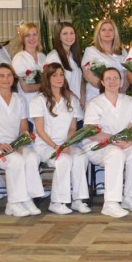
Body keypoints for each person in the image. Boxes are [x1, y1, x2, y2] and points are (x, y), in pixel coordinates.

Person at [0, 63, 44, 217]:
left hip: (14, 144)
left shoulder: (19, 100)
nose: (6, 79)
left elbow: (23, 128)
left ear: (14, 78)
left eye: (9, 75)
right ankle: (14, 203)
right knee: (15, 160)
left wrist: (19, 143)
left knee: (32, 157)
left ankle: (27, 198)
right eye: (1, 76)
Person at [83, 67, 132, 218]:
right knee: (115, 154)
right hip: (98, 145)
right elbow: (91, 132)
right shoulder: (94, 103)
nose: (112, 81)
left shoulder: (129, 101)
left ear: (121, 81)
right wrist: (113, 139)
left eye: (116, 78)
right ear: (102, 82)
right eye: (108, 79)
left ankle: (129, 197)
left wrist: (129, 142)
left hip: (122, 143)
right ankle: (110, 203)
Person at [31, 62, 90, 215]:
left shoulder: (71, 99)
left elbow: (72, 128)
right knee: (64, 160)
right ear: (47, 78)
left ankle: (78, 199)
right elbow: (39, 129)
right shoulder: (39, 100)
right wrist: (56, 146)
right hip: (45, 144)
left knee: (81, 157)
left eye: (61, 74)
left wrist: (66, 143)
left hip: (66, 143)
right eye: (54, 75)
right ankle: (57, 201)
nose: (59, 78)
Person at [82, 18, 128, 102]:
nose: (107, 32)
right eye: (103, 30)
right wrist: (109, 90)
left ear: (115, 33)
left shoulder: (123, 52)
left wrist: (120, 91)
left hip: (119, 95)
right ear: (98, 33)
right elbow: (89, 76)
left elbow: (127, 75)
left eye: (110, 30)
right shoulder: (92, 51)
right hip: (97, 95)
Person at [43, 21, 84, 105]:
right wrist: (73, 98)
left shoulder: (74, 56)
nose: (69, 36)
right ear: (59, 37)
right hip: (62, 103)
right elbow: (53, 82)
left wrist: (82, 97)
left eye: (71, 33)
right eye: (65, 33)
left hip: (76, 103)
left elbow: (80, 80)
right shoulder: (54, 56)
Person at [11, 22, 46, 105]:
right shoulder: (19, 58)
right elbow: (26, 88)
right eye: (28, 35)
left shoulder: (43, 57)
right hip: (27, 103)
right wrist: (48, 86)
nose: (32, 38)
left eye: (34, 34)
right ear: (23, 38)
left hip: (43, 103)